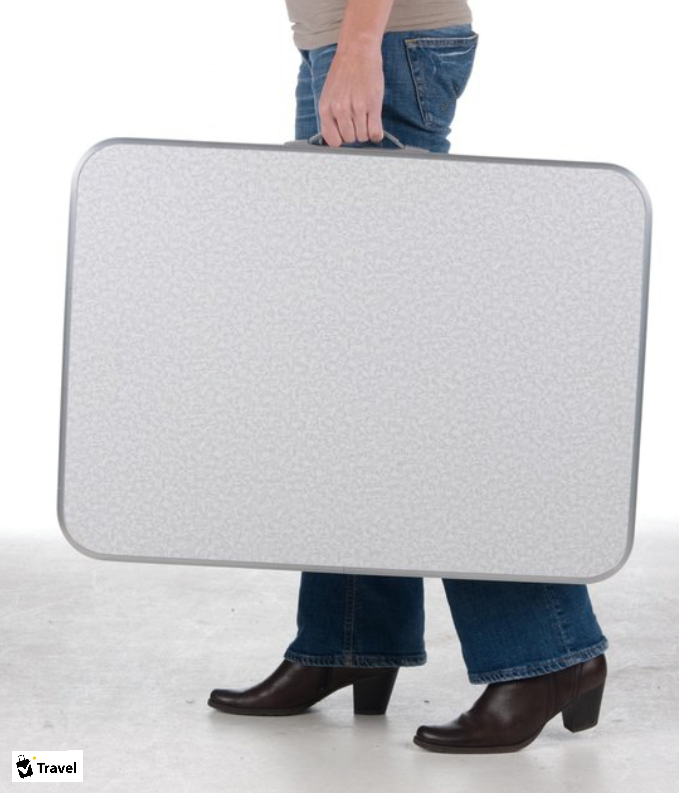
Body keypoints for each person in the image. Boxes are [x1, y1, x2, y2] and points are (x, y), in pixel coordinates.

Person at [208, 0, 609, 754]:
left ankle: (549, 649)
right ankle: (350, 635)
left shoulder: (369, 49)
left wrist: (360, 44)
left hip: (380, 48)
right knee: (357, 382)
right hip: (356, 47)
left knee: (420, 384)